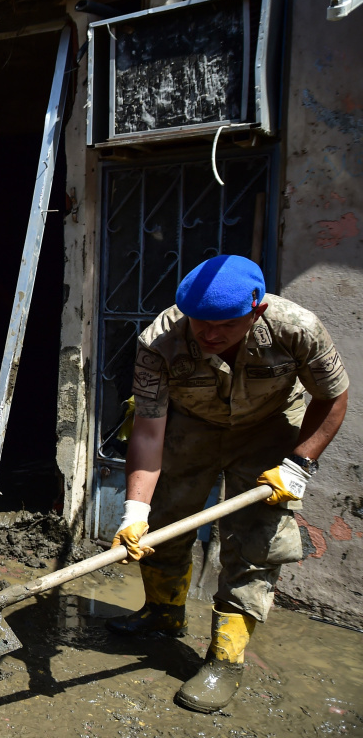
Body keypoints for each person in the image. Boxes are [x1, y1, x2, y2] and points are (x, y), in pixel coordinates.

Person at [110, 255, 349, 712]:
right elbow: (147, 428)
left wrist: (300, 463)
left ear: (256, 310)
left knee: (257, 542)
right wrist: (134, 513)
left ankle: (225, 659)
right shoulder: (160, 340)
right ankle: (162, 614)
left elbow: (332, 395)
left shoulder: (297, 328)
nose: (209, 334)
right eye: (200, 322)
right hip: (190, 425)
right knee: (163, 522)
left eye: (224, 324)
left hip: (270, 428)